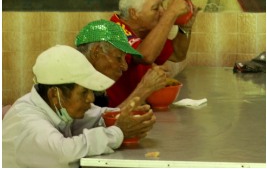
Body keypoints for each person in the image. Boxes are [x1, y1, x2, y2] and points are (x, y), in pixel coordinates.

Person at [2, 45, 155, 167]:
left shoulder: (59, 108)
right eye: (83, 92)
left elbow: (99, 115)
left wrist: (127, 117)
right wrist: (118, 132)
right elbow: (65, 152)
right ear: (54, 95)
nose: (91, 98)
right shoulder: (28, 123)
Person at [102, 0, 192, 107]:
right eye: (155, 8)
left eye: (162, 6)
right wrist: (170, 14)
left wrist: (185, 28)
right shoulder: (113, 30)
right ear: (134, 13)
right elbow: (145, 56)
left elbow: (177, 55)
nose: (162, 12)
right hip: (115, 115)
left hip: (139, 108)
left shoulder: (146, 30)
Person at [75, 20, 169, 109]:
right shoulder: (74, 85)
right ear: (97, 52)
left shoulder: (97, 88)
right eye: (118, 58)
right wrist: (144, 89)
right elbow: (104, 122)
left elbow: (101, 118)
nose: (125, 67)